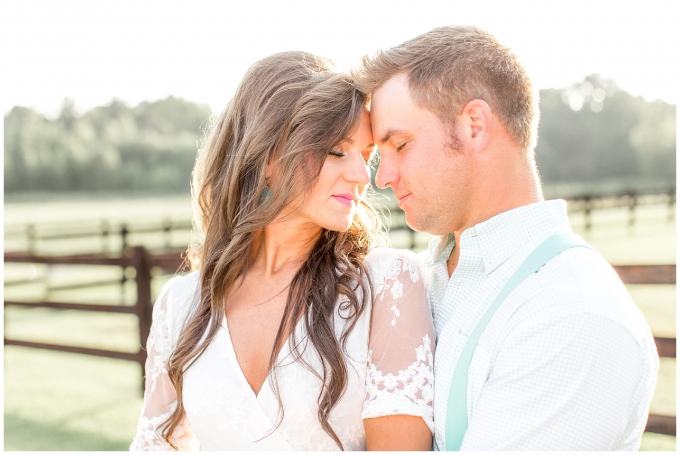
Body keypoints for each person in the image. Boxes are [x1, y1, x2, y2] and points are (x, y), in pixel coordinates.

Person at [353, 26, 659, 450]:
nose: (382, 178)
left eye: (400, 145)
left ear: (474, 125)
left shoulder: (573, 314)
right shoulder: (417, 278)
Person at [129, 51, 435, 451]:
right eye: (336, 151)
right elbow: (154, 446)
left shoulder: (386, 285)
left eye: (364, 155)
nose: (364, 176)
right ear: (269, 157)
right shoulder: (182, 305)